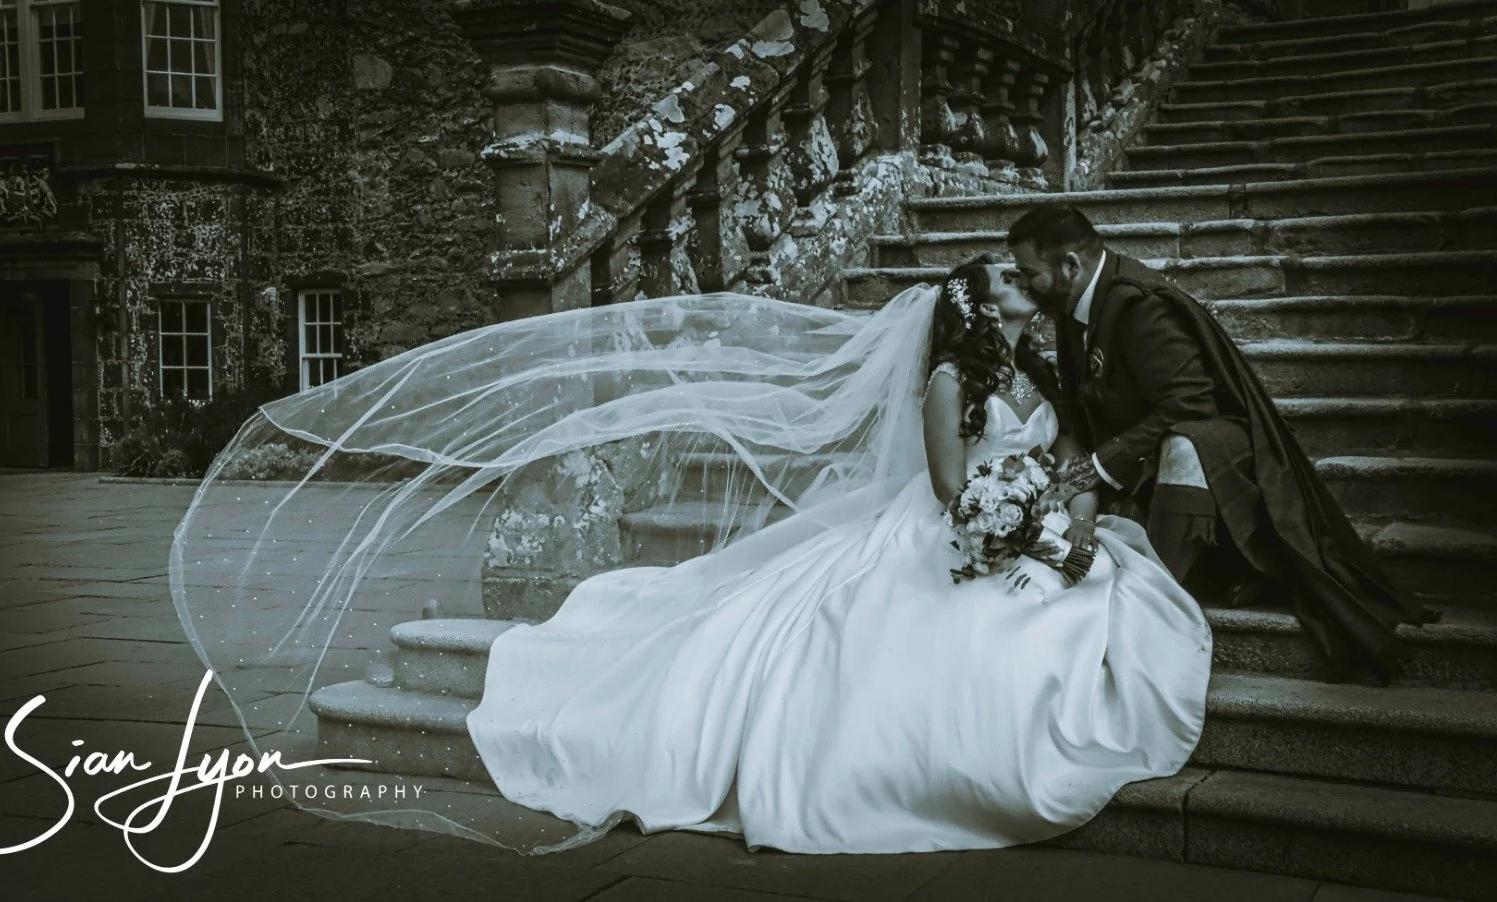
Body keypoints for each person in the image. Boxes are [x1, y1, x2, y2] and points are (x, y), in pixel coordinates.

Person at [463, 257, 1211, 853]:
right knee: (975, 626)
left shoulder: (1045, 376)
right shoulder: (950, 383)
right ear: (980, 305)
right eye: (1007, 277)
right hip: (960, 527)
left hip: (1038, 524)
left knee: (1106, 586)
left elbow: (1073, 465)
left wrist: (1075, 529)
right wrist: (1015, 527)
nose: (1027, 279)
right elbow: (953, 486)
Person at [1006, 204, 1438, 685]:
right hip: (1143, 449)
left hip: (1220, 446)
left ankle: (1156, 603)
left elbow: (1190, 403)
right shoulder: (1073, 305)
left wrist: (1098, 466)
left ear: (1070, 265)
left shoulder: (1139, 305)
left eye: (1029, 274)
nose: (1024, 286)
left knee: (1185, 444)